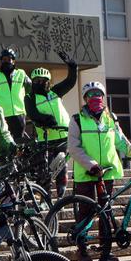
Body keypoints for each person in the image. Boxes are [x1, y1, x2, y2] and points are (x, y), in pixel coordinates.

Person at [67, 81, 131, 258]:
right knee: (85, 212)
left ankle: (105, 249)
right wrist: (91, 164)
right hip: (86, 173)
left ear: (103, 97)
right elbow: (74, 147)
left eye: (98, 94)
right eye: (91, 95)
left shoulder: (111, 119)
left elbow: (121, 142)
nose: (95, 98)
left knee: (105, 211)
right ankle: (82, 248)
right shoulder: (77, 119)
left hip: (106, 173)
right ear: (85, 99)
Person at [25, 51, 78, 197]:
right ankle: (44, 196)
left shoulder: (55, 92)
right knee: (45, 169)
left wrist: (73, 67)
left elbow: (70, 81)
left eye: (44, 80)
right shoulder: (30, 97)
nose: (41, 83)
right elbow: (32, 114)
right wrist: (45, 119)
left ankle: (60, 196)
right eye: (37, 81)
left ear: (49, 81)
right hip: (45, 138)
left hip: (63, 135)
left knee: (61, 166)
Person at [0, 48, 31, 141]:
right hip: (2, 115)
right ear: (1, 61)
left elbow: (29, 88)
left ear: (13, 61)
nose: (6, 61)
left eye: (9, 59)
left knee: (19, 141)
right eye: (4, 59)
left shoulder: (21, 73)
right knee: (4, 140)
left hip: (19, 114)